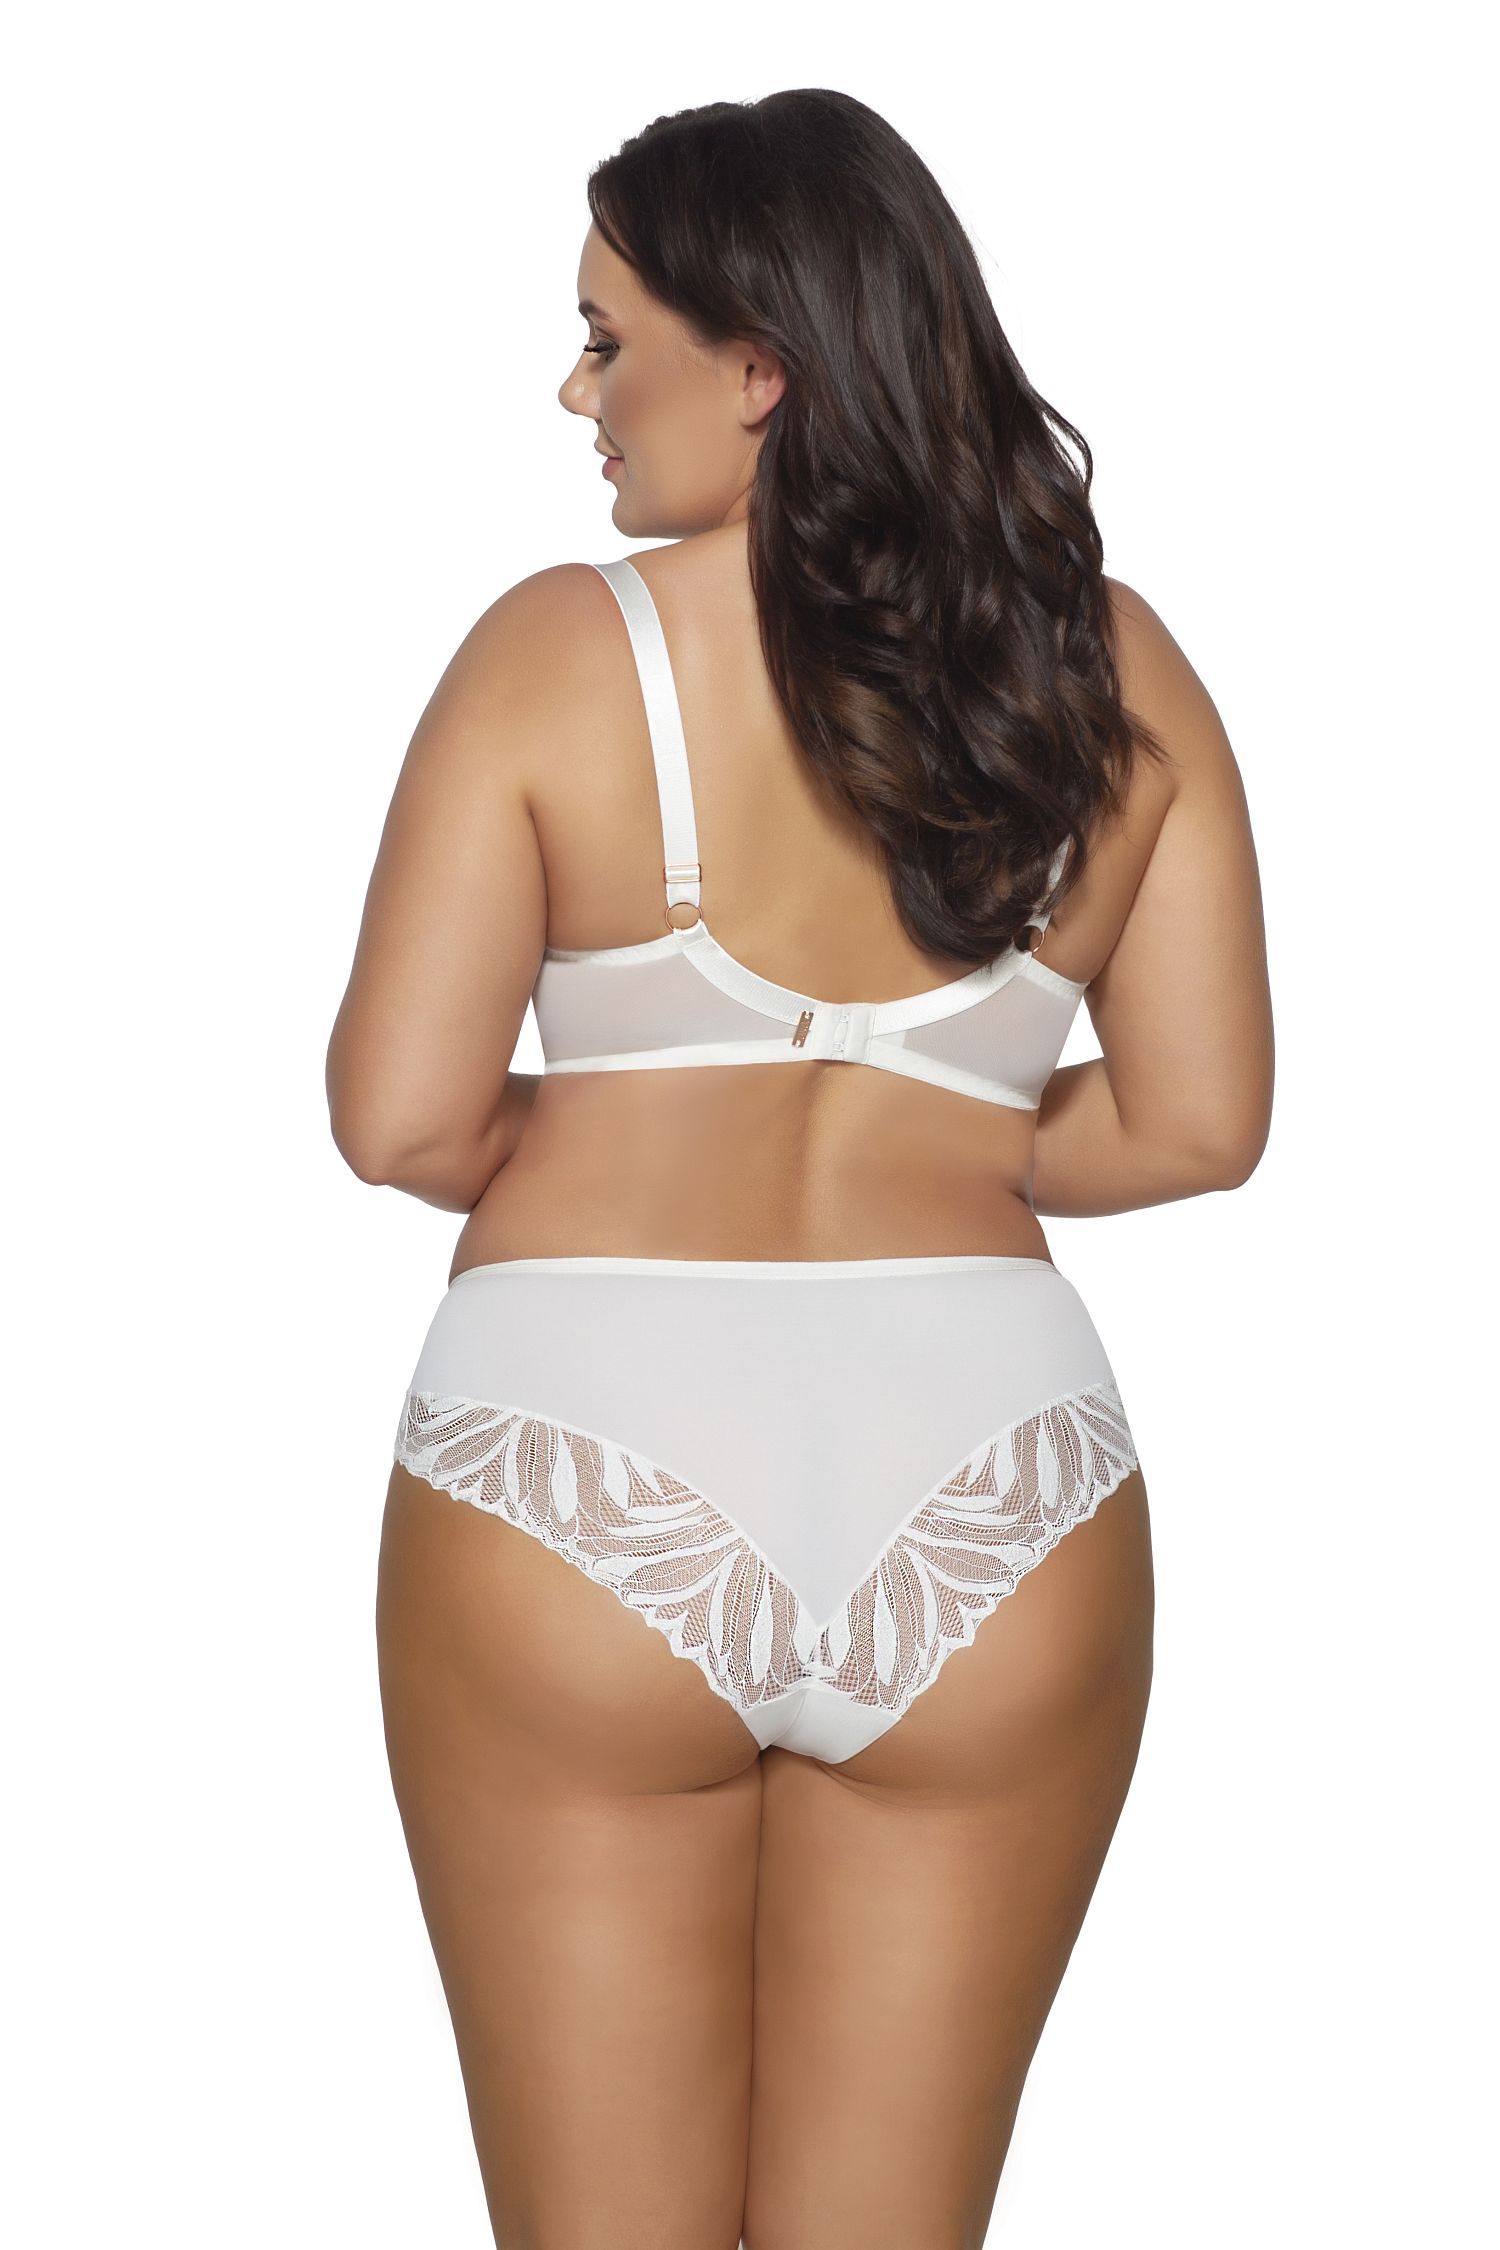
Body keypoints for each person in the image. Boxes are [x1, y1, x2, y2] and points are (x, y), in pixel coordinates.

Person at [326, 87, 1273, 2250]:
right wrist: (952, 1126)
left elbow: (402, 1118)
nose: (576, 392)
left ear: (759, 368)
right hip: (998, 1476)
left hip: (580, 1457)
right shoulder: (1112, 669)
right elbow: (1200, 1123)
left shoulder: (560, 650)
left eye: (608, 338)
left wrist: (604, 1129)